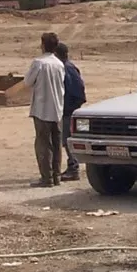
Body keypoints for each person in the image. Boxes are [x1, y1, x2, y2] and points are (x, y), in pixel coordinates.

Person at [24, 32, 66, 187]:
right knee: (56, 144)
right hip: (57, 109)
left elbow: (27, 82)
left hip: (42, 109)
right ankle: (57, 176)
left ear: (43, 45)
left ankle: (46, 178)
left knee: (43, 144)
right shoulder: (59, 64)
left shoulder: (39, 63)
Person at [54, 42, 87, 182]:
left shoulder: (68, 68)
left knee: (68, 140)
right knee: (65, 139)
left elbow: (78, 91)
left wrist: (70, 108)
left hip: (69, 110)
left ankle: (73, 168)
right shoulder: (65, 67)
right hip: (66, 109)